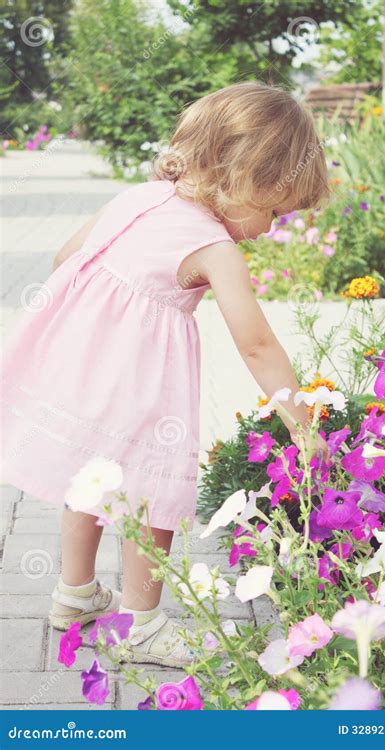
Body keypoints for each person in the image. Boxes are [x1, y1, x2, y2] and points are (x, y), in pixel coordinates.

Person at [0, 81, 329, 667]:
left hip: (85, 371)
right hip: (142, 386)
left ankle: (74, 595)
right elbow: (255, 342)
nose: (274, 228)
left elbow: (62, 259)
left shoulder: (138, 197)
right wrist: (300, 421)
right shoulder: (213, 247)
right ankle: (143, 626)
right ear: (242, 175)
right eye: (275, 211)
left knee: (90, 481)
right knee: (152, 495)